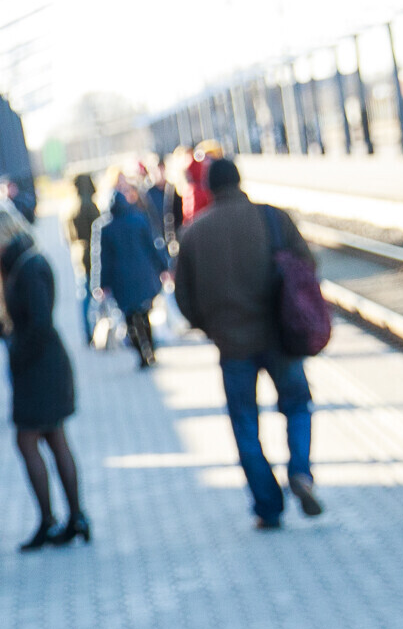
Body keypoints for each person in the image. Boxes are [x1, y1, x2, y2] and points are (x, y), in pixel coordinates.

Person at [171, 157, 326, 531]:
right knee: (297, 404)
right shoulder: (272, 217)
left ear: (208, 187)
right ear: (239, 181)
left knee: (244, 425)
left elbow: (183, 299)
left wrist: (211, 326)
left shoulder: (193, 233)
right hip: (280, 336)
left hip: (232, 346)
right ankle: (300, 472)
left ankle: (268, 508)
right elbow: (306, 265)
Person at [0, 200, 87, 550]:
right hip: (38, 363)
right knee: (54, 438)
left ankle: (55, 519)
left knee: (32, 440)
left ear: (1, 234)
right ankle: (73, 518)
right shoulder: (15, 263)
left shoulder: (30, 265)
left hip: (41, 365)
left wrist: (16, 352)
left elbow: (40, 322)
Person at [94, 183, 169, 368]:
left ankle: (141, 355)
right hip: (143, 275)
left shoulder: (106, 228)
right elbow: (152, 245)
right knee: (144, 314)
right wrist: (163, 267)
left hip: (121, 280)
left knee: (130, 318)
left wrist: (102, 284)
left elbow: (103, 259)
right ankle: (150, 350)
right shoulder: (138, 219)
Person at [68, 172, 102, 339]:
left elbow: (68, 237)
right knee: (93, 293)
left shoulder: (70, 208)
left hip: (79, 253)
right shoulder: (89, 206)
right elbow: (99, 231)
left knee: (84, 295)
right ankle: (95, 330)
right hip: (92, 253)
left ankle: (88, 332)